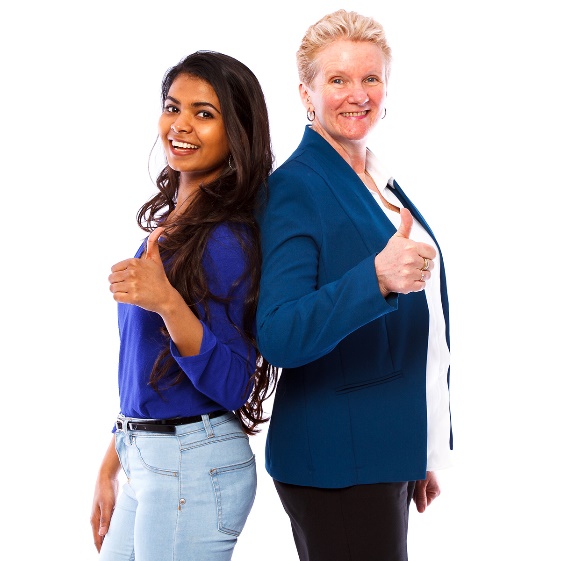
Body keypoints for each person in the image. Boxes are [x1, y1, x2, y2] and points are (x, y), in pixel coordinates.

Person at [256, 9, 452, 561]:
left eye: (371, 78)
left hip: (379, 451)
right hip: (337, 463)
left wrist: (414, 450)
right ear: (306, 92)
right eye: (337, 80)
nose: (357, 94)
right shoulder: (296, 187)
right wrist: (376, 278)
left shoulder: (376, 179)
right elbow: (278, 334)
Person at [90, 50, 277, 561]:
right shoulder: (175, 227)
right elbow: (148, 368)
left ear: (235, 132)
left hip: (192, 462)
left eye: (204, 113)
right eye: (173, 107)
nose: (181, 125)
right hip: (149, 454)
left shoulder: (228, 240)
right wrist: (113, 461)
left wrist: (167, 302)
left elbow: (234, 383)